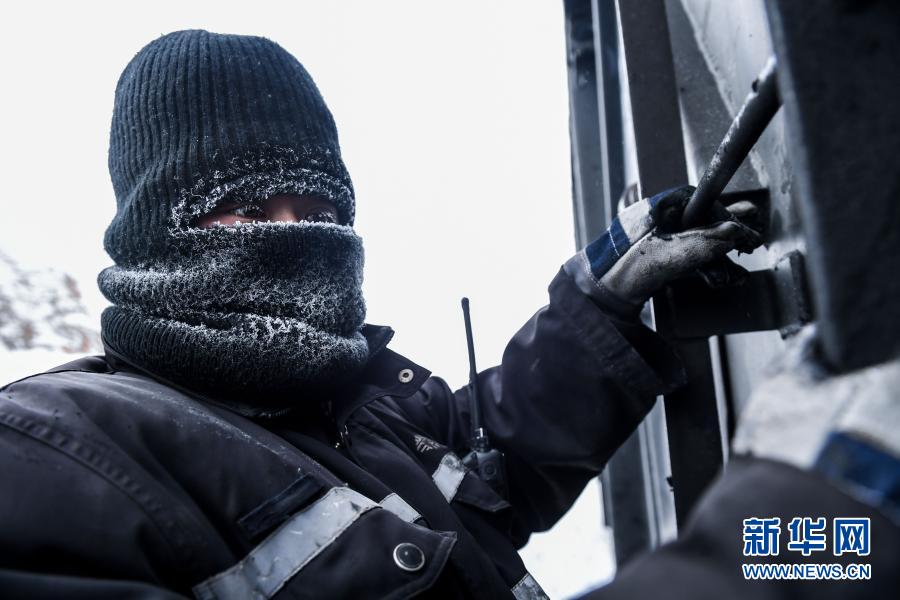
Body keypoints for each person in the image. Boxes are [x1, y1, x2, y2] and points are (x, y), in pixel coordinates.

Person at [1, 29, 895, 599]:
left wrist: (605, 300)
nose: (298, 235)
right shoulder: (52, 459)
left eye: (320, 208)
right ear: (153, 232)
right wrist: (806, 519)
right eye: (244, 208)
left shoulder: (359, 408)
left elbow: (497, 459)